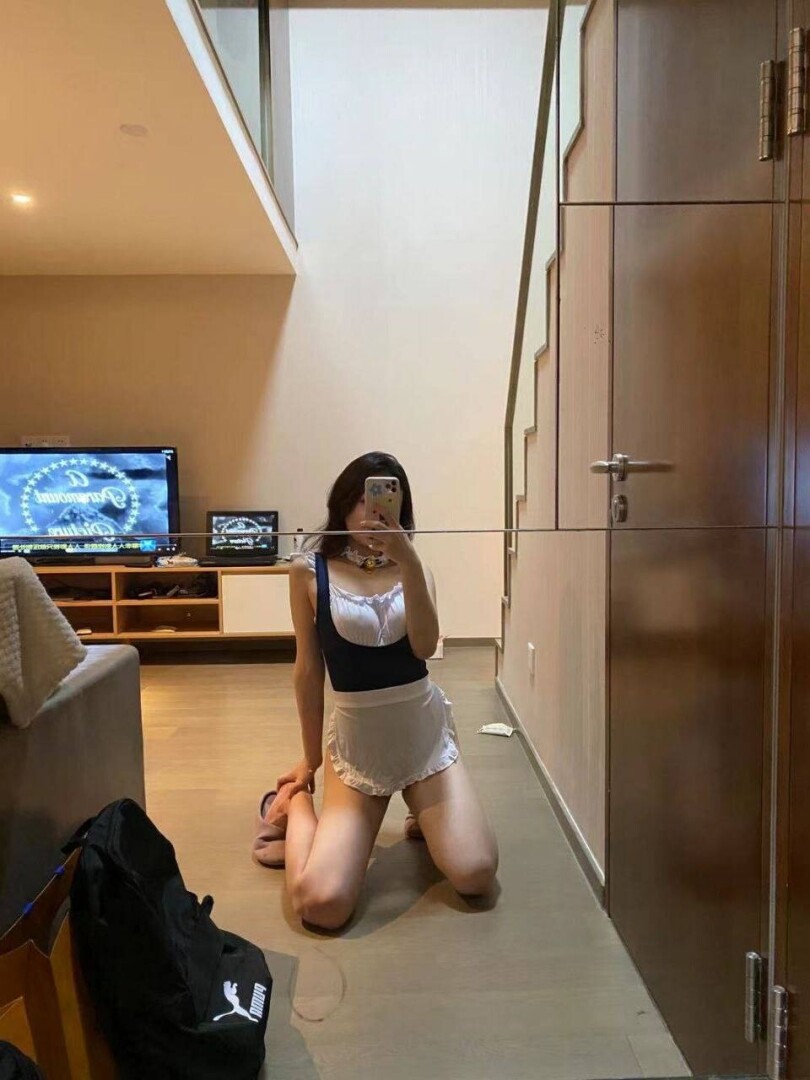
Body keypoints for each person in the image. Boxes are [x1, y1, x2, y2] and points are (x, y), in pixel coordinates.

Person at [253, 452, 498, 931]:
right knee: (322, 904)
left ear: (401, 508)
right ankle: (291, 803)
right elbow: (308, 670)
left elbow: (424, 647)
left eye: (385, 501)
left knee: (476, 874)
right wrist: (310, 762)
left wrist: (408, 560)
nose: (373, 513)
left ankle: (424, 813)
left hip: (423, 741)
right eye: (362, 501)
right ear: (343, 505)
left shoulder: (415, 568)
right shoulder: (309, 571)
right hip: (358, 750)